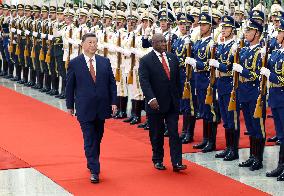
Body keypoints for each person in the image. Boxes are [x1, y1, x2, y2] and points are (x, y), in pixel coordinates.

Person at [65, 33, 117, 183]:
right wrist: (70, 106)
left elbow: (111, 84)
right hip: (84, 107)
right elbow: (70, 86)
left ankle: (91, 160)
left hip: (101, 106)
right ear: (82, 44)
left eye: (95, 42)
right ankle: (95, 170)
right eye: (90, 42)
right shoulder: (75, 63)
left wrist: (113, 102)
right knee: (89, 138)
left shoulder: (104, 62)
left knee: (97, 137)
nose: (93, 45)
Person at [139, 33, 187, 172]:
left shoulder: (172, 58)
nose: (163, 44)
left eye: (164, 41)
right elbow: (144, 82)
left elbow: (178, 79)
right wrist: (151, 99)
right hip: (156, 103)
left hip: (172, 102)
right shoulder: (146, 60)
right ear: (153, 43)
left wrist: (179, 96)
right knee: (157, 133)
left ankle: (177, 162)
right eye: (160, 42)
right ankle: (158, 159)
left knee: (174, 133)